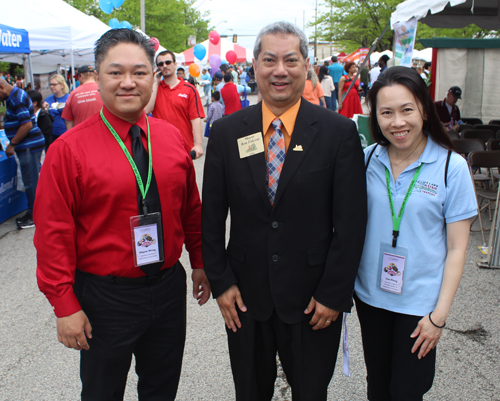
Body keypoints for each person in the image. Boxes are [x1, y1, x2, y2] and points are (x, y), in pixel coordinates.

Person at [34, 28, 210, 401]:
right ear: (97, 77)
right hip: (103, 297)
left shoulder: (170, 138)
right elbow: (53, 233)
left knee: (162, 389)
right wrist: (64, 304)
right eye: (116, 72)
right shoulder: (68, 150)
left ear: (154, 77)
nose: (128, 83)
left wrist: (199, 260)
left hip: (166, 289)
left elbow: (190, 208)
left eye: (139, 72)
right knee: (102, 392)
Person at [202, 21, 367, 401]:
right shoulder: (228, 132)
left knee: (310, 393)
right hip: (244, 297)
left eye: (290, 60)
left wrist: (334, 294)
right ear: (255, 66)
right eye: (269, 60)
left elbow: (351, 222)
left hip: (313, 298)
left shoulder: (337, 132)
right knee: (250, 391)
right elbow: (210, 217)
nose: (280, 70)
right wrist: (222, 283)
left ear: (306, 64)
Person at [355, 66, 477, 401]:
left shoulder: (452, 167)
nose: (398, 122)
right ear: (375, 117)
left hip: (420, 305)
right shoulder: (366, 161)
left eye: (407, 109)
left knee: (408, 391)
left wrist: (439, 317)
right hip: (370, 297)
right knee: (378, 387)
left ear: (424, 108)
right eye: (386, 113)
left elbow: (457, 249)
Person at [0, 78, 45, 229]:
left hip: (28, 145)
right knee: (31, 180)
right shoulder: (16, 95)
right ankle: (34, 211)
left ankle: (34, 216)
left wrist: (12, 144)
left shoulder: (16, 99)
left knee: (31, 181)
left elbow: (27, 124)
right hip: (29, 144)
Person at [145, 50, 205, 159]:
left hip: (183, 148)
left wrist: (199, 145)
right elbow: (147, 110)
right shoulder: (154, 89)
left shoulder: (189, 89)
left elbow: (195, 118)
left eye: (168, 62)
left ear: (175, 64)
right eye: (160, 64)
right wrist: (156, 83)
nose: (164, 66)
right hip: (160, 148)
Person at [62, 65, 103, 129]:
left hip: (81, 135)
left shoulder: (73, 94)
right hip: (102, 132)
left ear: (81, 76)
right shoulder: (103, 90)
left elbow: (69, 122)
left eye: (77, 78)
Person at [45, 74, 69, 140]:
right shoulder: (48, 100)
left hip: (66, 132)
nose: (52, 86)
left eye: (54, 84)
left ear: (62, 85)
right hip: (53, 134)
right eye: (50, 84)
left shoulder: (69, 98)